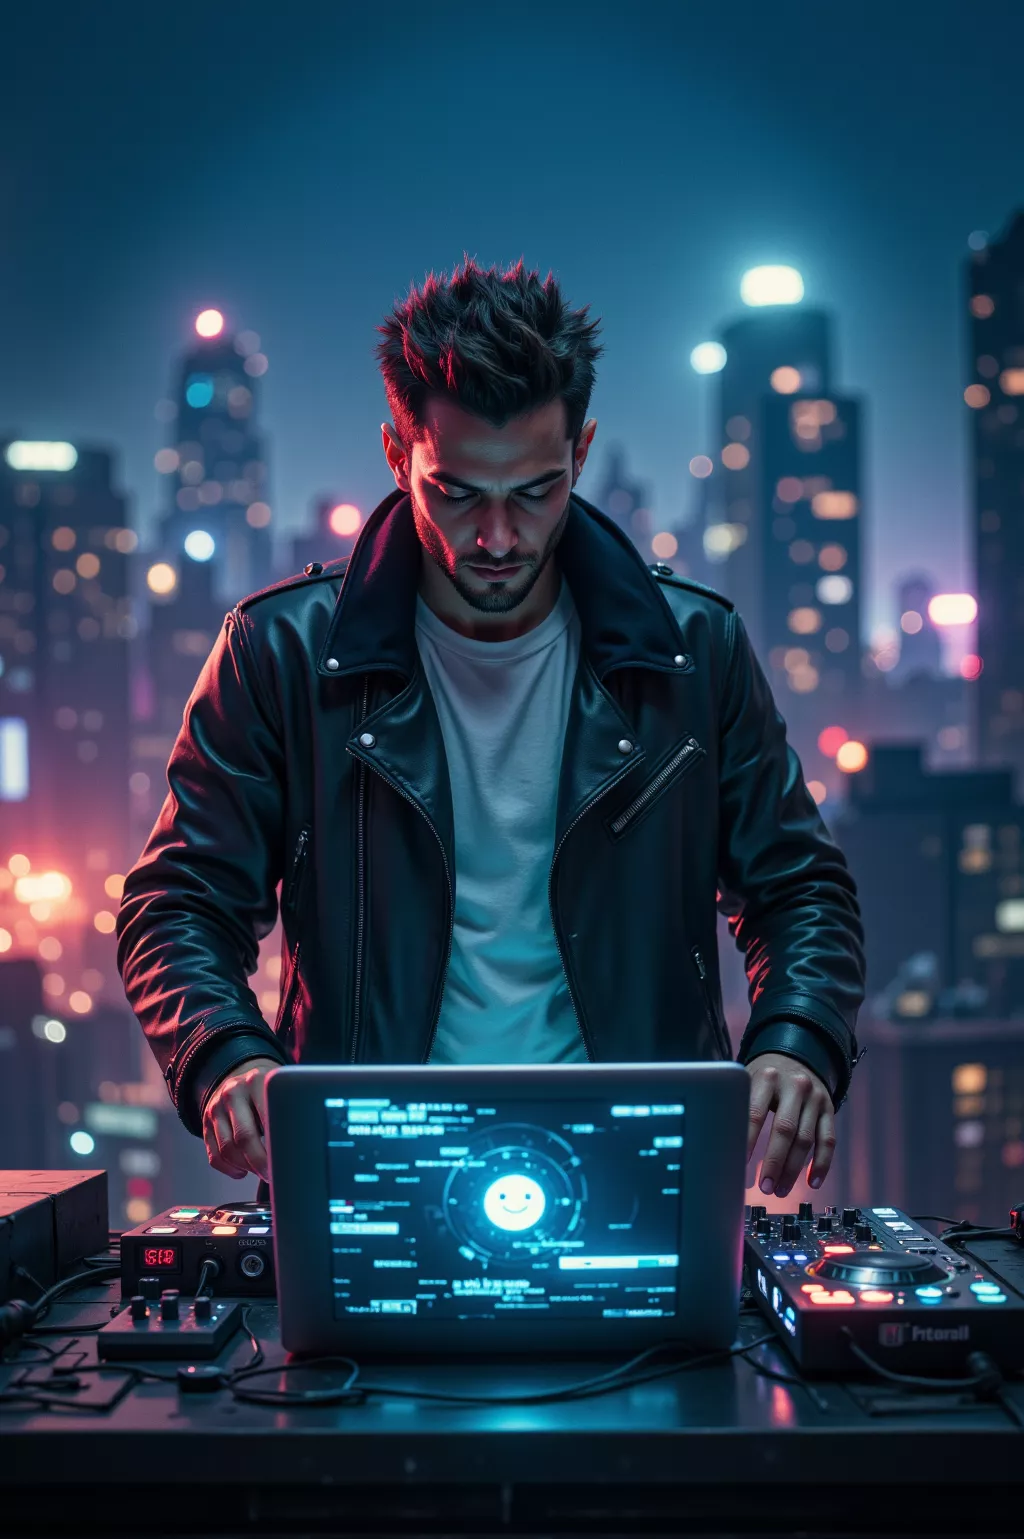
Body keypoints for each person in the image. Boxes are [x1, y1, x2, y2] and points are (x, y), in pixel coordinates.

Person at [117, 257, 866, 1203]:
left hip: (639, 1168)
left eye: (536, 492)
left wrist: (796, 1041)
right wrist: (223, 1054)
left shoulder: (692, 650)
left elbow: (799, 886)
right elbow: (179, 900)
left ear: (581, 455)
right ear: (400, 454)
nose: (499, 538)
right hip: (368, 1172)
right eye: (460, 492)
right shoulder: (281, 654)